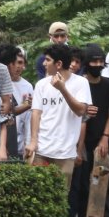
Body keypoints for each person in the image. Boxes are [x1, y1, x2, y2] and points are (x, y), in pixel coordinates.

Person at [28, 43, 91, 192]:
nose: (44, 63)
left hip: (65, 153)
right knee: (38, 196)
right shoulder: (41, 84)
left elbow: (81, 111)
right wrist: (33, 141)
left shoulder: (81, 82)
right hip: (41, 151)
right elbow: (36, 113)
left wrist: (62, 89)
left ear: (59, 64)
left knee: (60, 197)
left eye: (48, 60)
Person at [70, 44, 109, 217]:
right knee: (83, 187)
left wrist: (105, 137)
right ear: (86, 63)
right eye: (93, 61)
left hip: (103, 142)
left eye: (100, 61)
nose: (97, 65)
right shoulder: (79, 84)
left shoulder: (108, 85)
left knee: (106, 186)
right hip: (81, 143)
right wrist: (78, 146)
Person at [0, 44, 32, 159]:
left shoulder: (25, 86)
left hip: (14, 143)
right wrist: (2, 146)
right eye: (14, 62)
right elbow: (1, 117)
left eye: (21, 63)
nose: (18, 66)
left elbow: (10, 112)